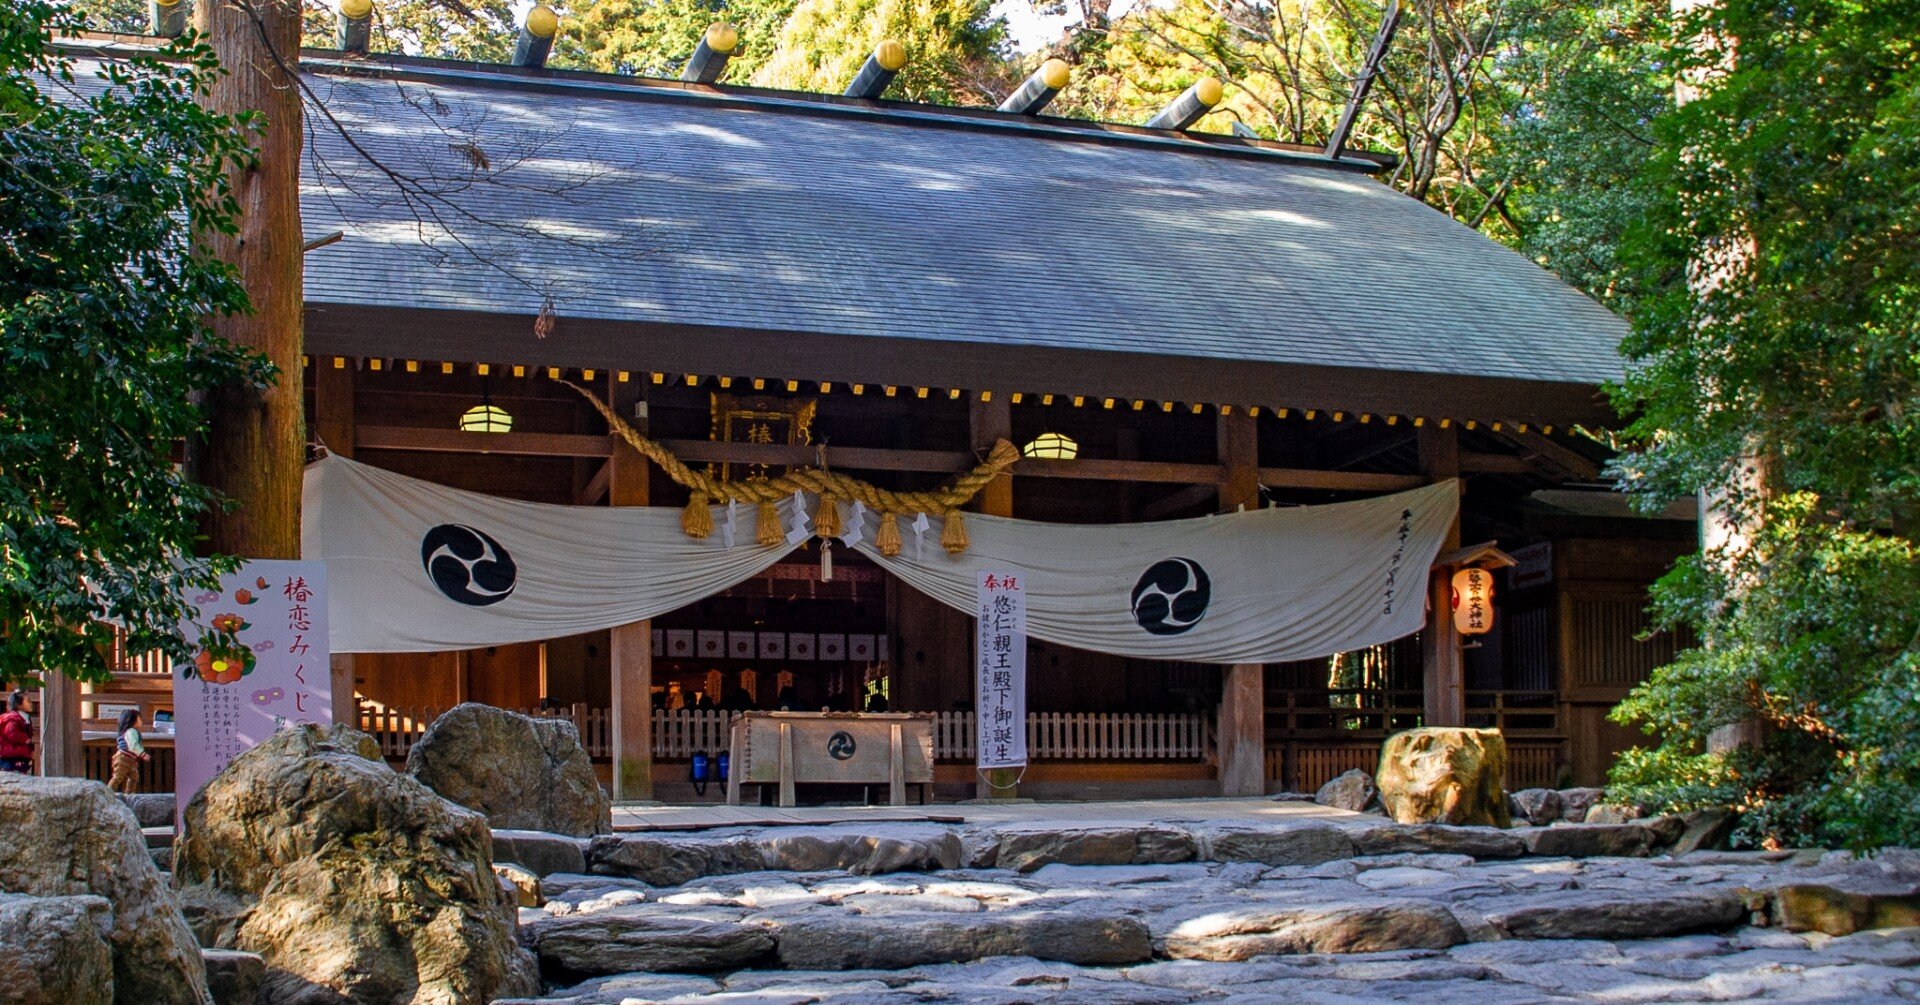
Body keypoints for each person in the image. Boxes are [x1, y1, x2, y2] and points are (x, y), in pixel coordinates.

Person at [109, 709, 149, 794]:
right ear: (132, 720)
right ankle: (107, 793)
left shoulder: (133, 731)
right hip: (123, 758)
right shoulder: (131, 731)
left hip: (131, 759)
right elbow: (133, 745)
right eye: (139, 718)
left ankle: (129, 794)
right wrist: (143, 754)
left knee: (134, 777)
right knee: (118, 777)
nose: (141, 721)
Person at [0, 691, 33, 774]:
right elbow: (11, 733)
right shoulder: (12, 718)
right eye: (28, 701)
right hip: (10, 756)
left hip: (20, 756)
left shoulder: (24, 718)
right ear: (19, 705)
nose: (31, 703)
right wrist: (25, 738)